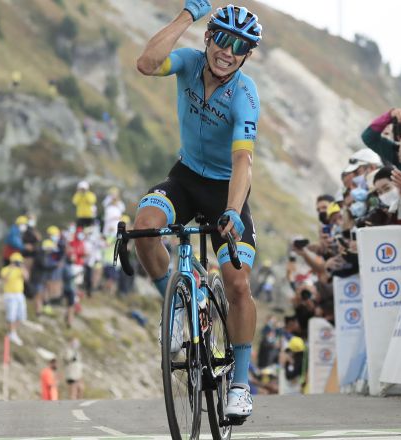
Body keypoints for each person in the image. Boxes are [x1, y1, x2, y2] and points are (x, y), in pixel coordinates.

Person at [134, 1, 262, 419]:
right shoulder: (188, 62)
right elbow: (146, 63)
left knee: (238, 283)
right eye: (222, 39)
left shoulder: (244, 94)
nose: (227, 51)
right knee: (145, 228)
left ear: (246, 55)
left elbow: (243, 159)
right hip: (186, 176)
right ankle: (173, 311)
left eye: (239, 46)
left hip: (227, 189)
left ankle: (240, 385)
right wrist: (187, 17)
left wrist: (233, 210)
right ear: (208, 38)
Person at [0, 252, 28, 346]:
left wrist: (22, 267)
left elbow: (26, 277)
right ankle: (12, 333)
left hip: (19, 294)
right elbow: (5, 279)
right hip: (10, 295)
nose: (17, 263)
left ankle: (13, 332)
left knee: (21, 316)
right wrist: (11, 269)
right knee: (11, 315)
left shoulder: (21, 270)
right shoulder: (6, 269)